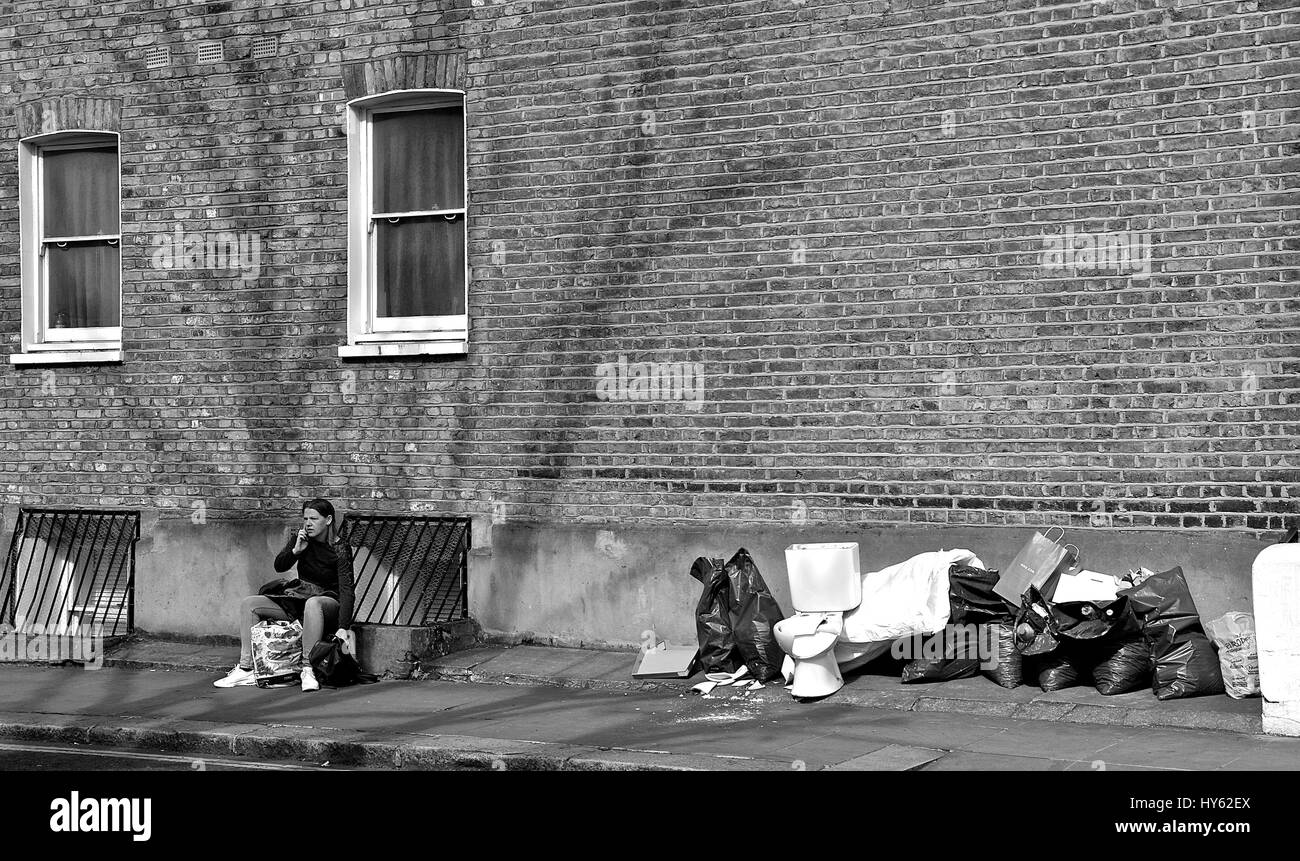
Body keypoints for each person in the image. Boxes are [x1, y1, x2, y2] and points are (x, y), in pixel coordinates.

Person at [214, 498, 356, 692]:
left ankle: (307, 668)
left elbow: (347, 591)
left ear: (328, 519)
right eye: (305, 518)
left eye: (314, 518)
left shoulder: (340, 548)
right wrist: (296, 551)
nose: (308, 523)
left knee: (313, 604)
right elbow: (279, 566)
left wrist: (343, 627)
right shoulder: (302, 539)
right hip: (300, 597)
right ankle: (246, 667)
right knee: (250, 604)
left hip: (327, 603)